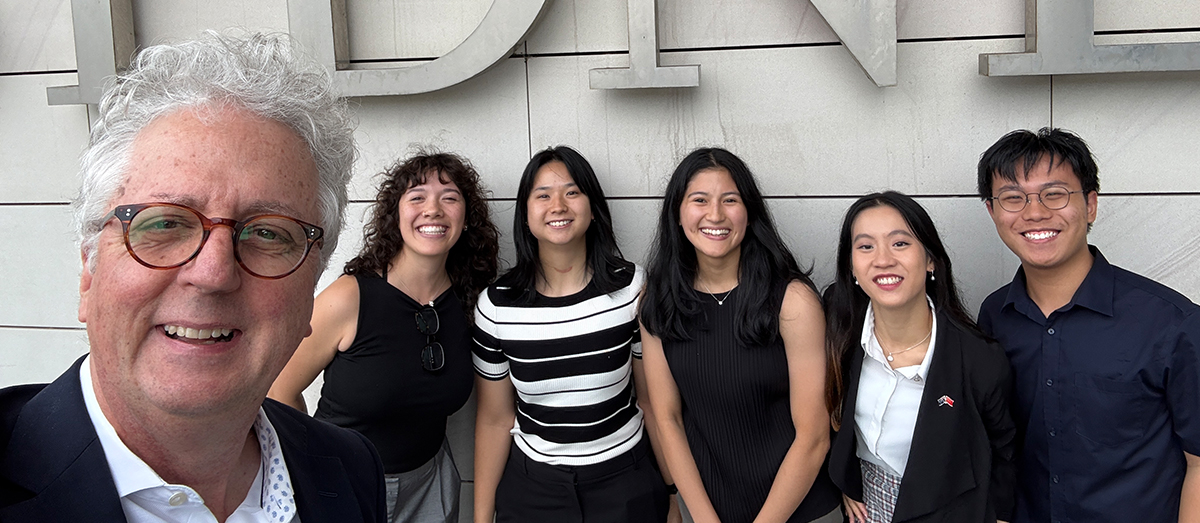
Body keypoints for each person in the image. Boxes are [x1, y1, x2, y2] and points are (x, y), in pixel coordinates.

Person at [0, 32, 385, 522]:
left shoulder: (351, 469)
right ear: (88, 273)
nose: (213, 273)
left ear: (311, 289)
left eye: (267, 233)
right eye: (164, 224)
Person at [976, 128, 1200, 523]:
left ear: (1091, 204)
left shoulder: (1170, 322)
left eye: (1054, 194)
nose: (1034, 212)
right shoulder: (995, 316)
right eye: (1013, 197)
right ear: (993, 212)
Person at [268, 151, 499, 522]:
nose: (433, 210)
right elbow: (278, 390)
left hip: (432, 485)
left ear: (467, 218)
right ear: (396, 214)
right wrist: (314, 469)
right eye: (417, 197)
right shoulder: (350, 297)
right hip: (346, 483)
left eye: (450, 198)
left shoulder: (469, 301)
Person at [639, 147, 842, 523]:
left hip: (800, 510)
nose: (715, 215)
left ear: (749, 213)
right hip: (710, 513)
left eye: (730, 200)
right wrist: (704, 518)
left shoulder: (792, 301)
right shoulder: (659, 300)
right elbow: (668, 419)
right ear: (677, 213)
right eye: (700, 200)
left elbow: (814, 437)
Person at [472, 146, 673, 523]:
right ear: (526, 214)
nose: (558, 206)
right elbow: (494, 420)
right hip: (533, 492)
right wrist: (481, 518)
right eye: (543, 195)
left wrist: (671, 492)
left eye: (572, 192)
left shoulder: (632, 288)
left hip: (626, 482)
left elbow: (653, 402)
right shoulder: (497, 307)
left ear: (592, 208)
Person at [823, 191, 1016, 523]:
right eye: (866, 246)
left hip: (948, 510)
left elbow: (1005, 450)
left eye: (900, 243)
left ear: (930, 260)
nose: (883, 260)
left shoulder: (978, 358)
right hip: (869, 507)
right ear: (851, 266)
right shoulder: (841, 324)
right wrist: (846, 478)